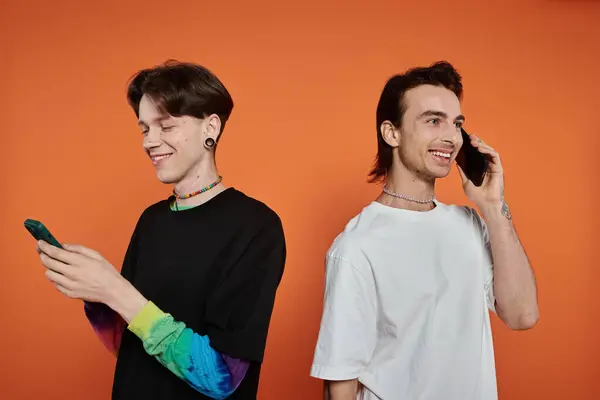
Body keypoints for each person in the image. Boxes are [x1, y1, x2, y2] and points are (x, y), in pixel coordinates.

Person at [36, 60, 287, 400]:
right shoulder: (151, 219)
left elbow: (221, 378)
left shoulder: (256, 227)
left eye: (165, 127)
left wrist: (115, 290)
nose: (149, 142)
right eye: (144, 129)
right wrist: (94, 291)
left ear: (210, 127)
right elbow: (126, 348)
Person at [309, 61, 539, 400]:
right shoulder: (357, 246)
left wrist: (493, 207)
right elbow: (340, 382)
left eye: (456, 124)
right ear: (392, 133)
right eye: (433, 121)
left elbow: (523, 315)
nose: (451, 137)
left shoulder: (470, 225)